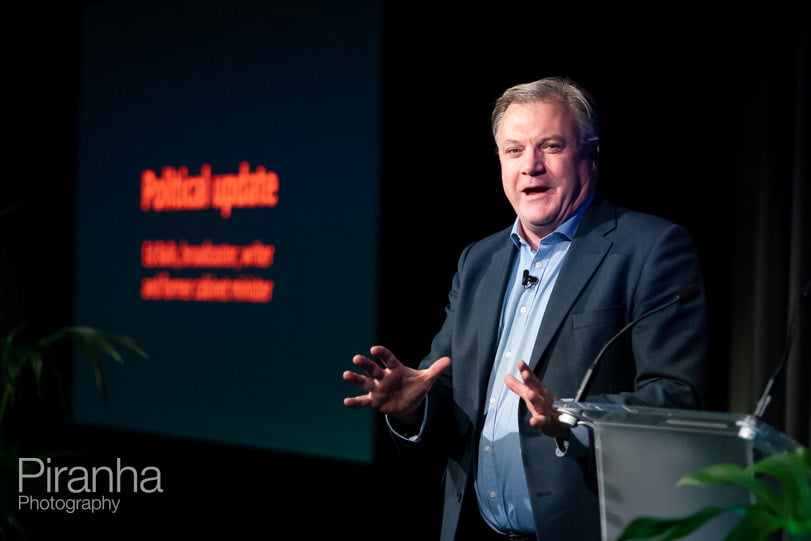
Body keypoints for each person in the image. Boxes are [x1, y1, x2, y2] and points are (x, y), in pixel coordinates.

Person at [342, 76, 708, 541]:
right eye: (514, 151)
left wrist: (571, 419)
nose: (530, 166)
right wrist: (411, 409)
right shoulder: (479, 260)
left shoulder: (651, 249)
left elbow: (675, 398)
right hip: (475, 529)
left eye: (550, 146)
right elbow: (447, 387)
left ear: (590, 154)